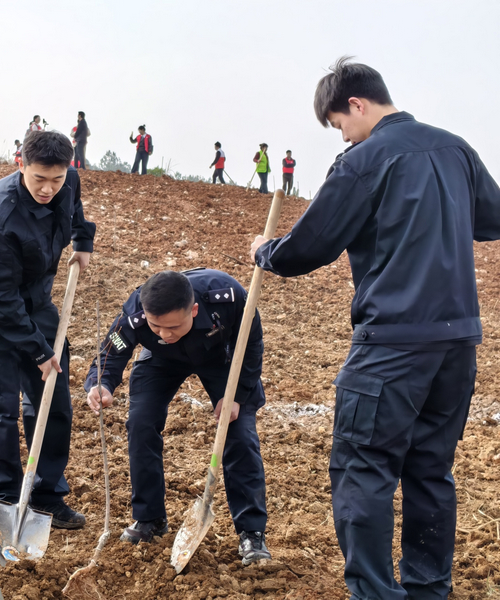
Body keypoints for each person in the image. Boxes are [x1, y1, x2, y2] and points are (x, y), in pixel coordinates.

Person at [250, 57, 500, 600]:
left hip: (391, 345)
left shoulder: (364, 160)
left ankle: (374, 593)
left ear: (356, 106)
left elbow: (309, 247)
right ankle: (429, 590)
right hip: (457, 343)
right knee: (431, 469)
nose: (342, 135)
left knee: (364, 467)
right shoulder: (456, 148)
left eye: (339, 124)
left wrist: (265, 251)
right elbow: (493, 219)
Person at [84, 269, 271, 564]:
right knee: (141, 422)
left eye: (173, 326)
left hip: (220, 358)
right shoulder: (136, 311)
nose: (165, 333)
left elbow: (251, 345)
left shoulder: (228, 297)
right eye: (156, 326)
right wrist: (101, 382)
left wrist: (238, 395)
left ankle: (252, 532)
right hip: (160, 361)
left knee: (240, 433)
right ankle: (150, 519)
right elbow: (113, 350)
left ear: (194, 310)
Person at [0, 130, 96, 530]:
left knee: (53, 401)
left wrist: (83, 240)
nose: (48, 188)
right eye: (39, 179)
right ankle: (4, 497)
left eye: (56, 179)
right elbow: (2, 299)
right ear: (21, 164)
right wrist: (39, 351)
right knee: (2, 408)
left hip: (37, 301)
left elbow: (76, 210)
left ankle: (47, 495)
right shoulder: (0, 215)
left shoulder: (66, 181)